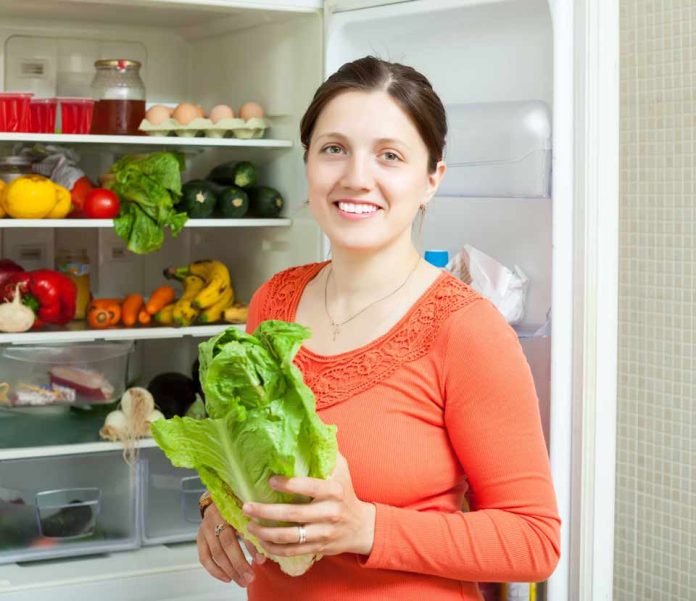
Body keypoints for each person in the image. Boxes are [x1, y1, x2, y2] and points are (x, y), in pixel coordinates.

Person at [196, 56, 560, 600]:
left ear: (431, 180)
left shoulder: (466, 329)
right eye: (334, 149)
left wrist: (366, 527)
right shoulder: (274, 301)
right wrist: (218, 512)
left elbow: (534, 540)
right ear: (309, 164)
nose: (356, 178)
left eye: (389, 155)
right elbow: (249, 455)